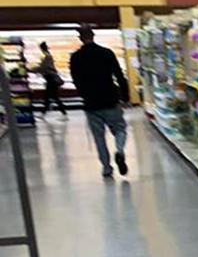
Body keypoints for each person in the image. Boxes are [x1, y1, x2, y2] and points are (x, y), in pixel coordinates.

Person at [69, 25, 130, 178]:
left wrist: (84, 94)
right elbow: (119, 75)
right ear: (93, 35)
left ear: (81, 38)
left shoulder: (75, 57)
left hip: (91, 103)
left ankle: (106, 168)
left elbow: (76, 80)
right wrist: (125, 96)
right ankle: (120, 151)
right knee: (119, 129)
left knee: (99, 137)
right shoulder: (106, 53)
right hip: (110, 98)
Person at [30, 41, 68, 120]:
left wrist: (32, 69)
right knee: (51, 97)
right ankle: (45, 114)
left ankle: (63, 114)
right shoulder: (48, 56)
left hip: (51, 79)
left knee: (51, 97)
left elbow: (43, 68)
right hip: (51, 79)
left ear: (42, 48)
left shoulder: (47, 56)